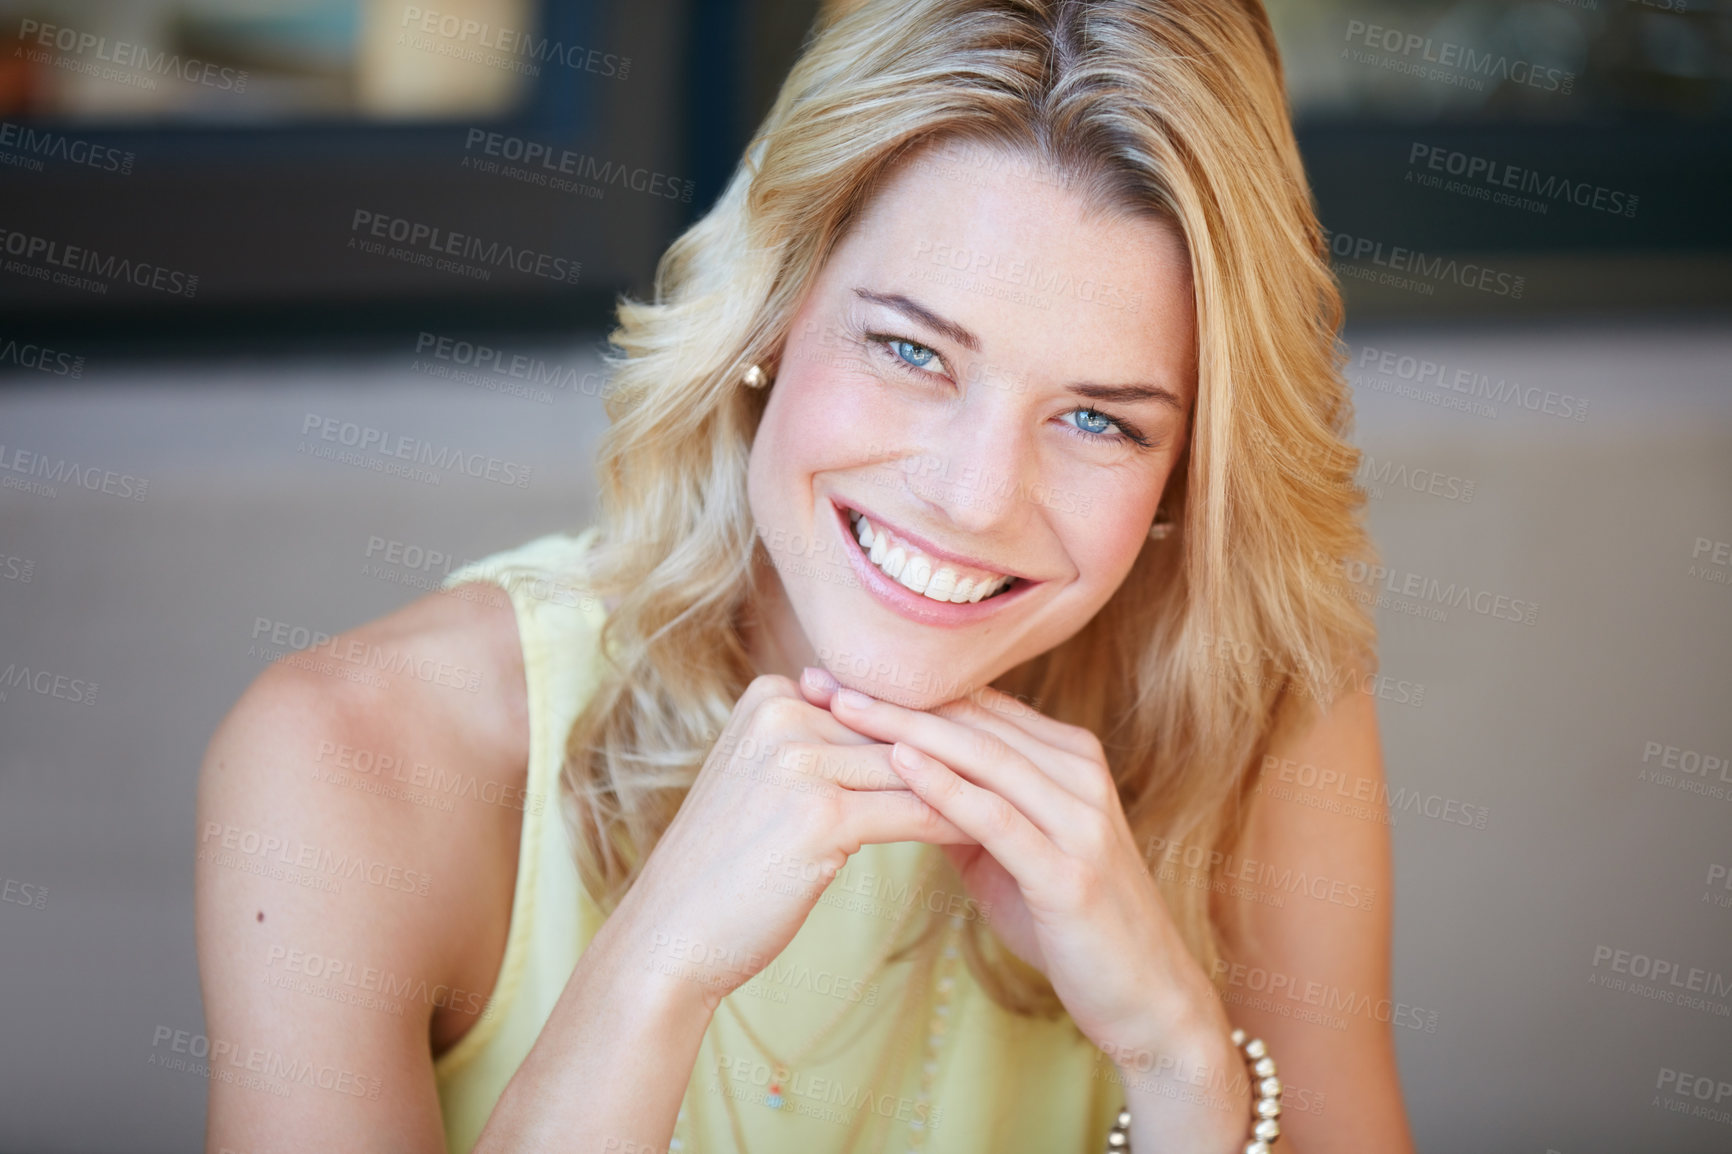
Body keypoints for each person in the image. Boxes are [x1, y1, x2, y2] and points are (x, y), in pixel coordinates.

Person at [196, 1, 1417, 1151]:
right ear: (772, 314)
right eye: (909, 349)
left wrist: (1176, 1055)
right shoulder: (353, 758)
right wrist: (654, 966)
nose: (977, 496)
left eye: (1100, 420)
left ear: (1188, 467)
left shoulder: (1260, 722)